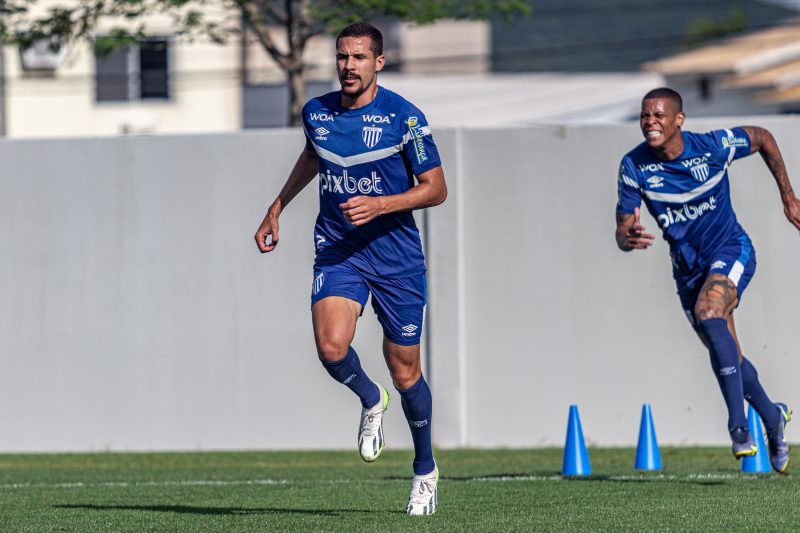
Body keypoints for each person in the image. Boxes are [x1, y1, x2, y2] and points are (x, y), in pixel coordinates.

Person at [254, 22, 446, 514]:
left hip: (397, 259)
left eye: (359, 57)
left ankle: (424, 469)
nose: (349, 66)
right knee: (330, 346)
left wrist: (381, 204)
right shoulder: (317, 113)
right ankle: (369, 398)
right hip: (340, 249)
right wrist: (278, 205)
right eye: (342, 57)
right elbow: (312, 157)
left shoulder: (405, 118)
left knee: (406, 374)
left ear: (378, 62)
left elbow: (436, 188)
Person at [615, 87, 800, 472]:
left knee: (710, 310)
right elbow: (622, 228)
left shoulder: (713, 147)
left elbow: (763, 137)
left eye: (659, 115)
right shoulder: (633, 165)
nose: (650, 122)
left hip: (731, 250)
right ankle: (772, 417)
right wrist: (625, 237)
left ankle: (738, 428)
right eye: (645, 116)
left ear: (679, 120)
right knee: (726, 352)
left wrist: (789, 198)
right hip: (687, 270)